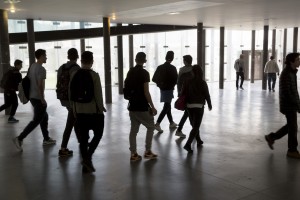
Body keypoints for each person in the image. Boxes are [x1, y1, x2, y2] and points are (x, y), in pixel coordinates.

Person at [13, 49, 56, 151]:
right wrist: (42, 99)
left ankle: (46, 138)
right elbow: (40, 85)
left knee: (44, 116)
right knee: (37, 120)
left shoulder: (32, 66)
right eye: (45, 55)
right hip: (38, 97)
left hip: (32, 97)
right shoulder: (41, 69)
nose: (46, 57)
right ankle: (19, 138)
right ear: (41, 56)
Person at [71, 51, 106, 173]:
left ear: (81, 61)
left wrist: (74, 110)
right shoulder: (94, 75)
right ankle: (88, 157)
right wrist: (101, 109)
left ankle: (85, 164)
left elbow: (72, 95)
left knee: (83, 139)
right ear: (92, 61)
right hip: (94, 112)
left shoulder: (75, 74)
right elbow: (98, 95)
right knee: (98, 134)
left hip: (79, 113)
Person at [265, 52, 300, 159]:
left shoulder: (292, 72)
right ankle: (292, 150)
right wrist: (297, 105)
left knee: (290, 126)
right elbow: (287, 93)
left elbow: (293, 91)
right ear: (291, 61)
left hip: (292, 104)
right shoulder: (286, 74)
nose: (299, 61)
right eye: (298, 59)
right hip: (288, 105)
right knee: (293, 127)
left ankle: (271, 137)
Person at [124, 52, 158, 162]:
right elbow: (146, 92)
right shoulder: (145, 73)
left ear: (135, 59)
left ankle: (133, 154)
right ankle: (148, 151)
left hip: (132, 105)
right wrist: (152, 106)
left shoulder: (130, 71)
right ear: (145, 61)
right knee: (151, 126)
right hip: (142, 106)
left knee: (133, 130)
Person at [56, 48, 81, 157]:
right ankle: (63, 148)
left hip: (63, 98)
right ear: (77, 56)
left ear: (68, 56)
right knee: (70, 122)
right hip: (72, 100)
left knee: (74, 119)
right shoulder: (75, 68)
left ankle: (81, 140)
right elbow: (75, 87)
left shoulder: (62, 67)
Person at [182, 65, 212, 153]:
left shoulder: (187, 81)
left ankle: (198, 140)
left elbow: (183, 93)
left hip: (189, 106)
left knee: (194, 125)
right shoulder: (202, 82)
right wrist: (209, 104)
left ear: (192, 72)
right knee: (196, 126)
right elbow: (207, 94)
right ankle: (188, 144)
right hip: (199, 106)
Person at [152, 51, 178, 133]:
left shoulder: (160, 67)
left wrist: (160, 85)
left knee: (168, 105)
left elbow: (153, 79)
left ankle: (171, 123)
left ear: (165, 57)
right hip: (169, 90)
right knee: (166, 106)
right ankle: (157, 124)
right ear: (172, 59)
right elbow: (176, 80)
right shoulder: (173, 68)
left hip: (162, 89)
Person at [175, 55, 194, 138]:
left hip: (184, 94)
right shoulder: (194, 69)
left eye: (184, 60)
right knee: (189, 112)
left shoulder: (182, 70)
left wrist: (179, 93)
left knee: (188, 112)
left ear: (186, 61)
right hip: (192, 94)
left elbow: (178, 82)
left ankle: (180, 130)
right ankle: (193, 131)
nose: (183, 62)